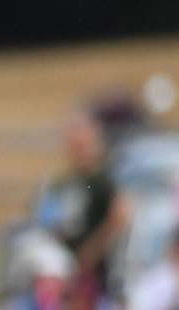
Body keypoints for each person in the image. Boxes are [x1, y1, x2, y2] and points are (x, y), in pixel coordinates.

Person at [33, 110, 131, 294]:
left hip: (94, 272)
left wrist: (87, 257)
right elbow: (48, 223)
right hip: (62, 266)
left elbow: (119, 220)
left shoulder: (105, 182)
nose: (78, 149)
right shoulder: (60, 183)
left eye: (82, 143)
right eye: (73, 143)